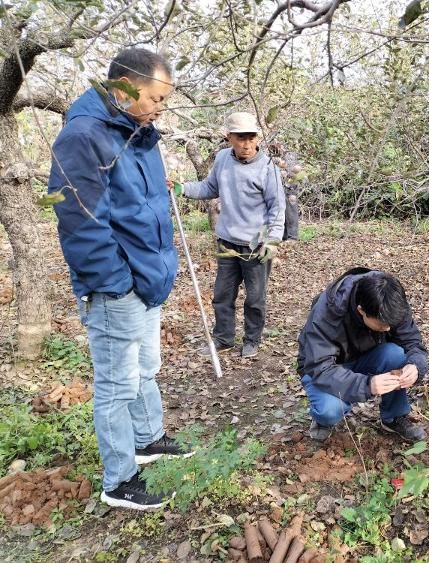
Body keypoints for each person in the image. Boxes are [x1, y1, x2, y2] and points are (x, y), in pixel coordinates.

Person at [48, 48, 191, 511]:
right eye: (155, 97)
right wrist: (117, 282)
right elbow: (81, 222)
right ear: (126, 88)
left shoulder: (140, 134)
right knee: (116, 383)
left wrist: (151, 274)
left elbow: (141, 208)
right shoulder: (83, 137)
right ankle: (119, 480)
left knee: (146, 368)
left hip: (147, 281)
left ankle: (148, 439)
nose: (160, 107)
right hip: (117, 286)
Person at [171, 112, 285, 358]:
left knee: (255, 298)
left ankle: (252, 340)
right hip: (227, 242)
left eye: (251, 137)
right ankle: (223, 338)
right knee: (222, 295)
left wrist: (273, 240)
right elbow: (210, 187)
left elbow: (277, 208)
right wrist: (182, 188)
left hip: (256, 243)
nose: (246, 144)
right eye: (240, 138)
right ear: (229, 137)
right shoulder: (223, 159)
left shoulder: (268, 169)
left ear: (257, 138)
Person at [297, 268, 428, 443]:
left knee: (396, 355)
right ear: (361, 310)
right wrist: (367, 385)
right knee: (330, 410)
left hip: (366, 356)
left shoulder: (391, 300)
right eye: (382, 324)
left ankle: (394, 417)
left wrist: (416, 366)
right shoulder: (327, 312)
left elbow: (412, 342)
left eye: (391, 324)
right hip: (324, 368)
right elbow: (319, 367)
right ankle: (321, 420)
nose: (388, 329)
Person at [268, 142, 301, 241]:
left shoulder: (289, 153)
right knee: (281, 210)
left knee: (291, 211)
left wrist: (288, 184)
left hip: (290, 187)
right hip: (279, 186)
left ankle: (292, 237)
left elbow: (296, 170)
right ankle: (284, 236)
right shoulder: (271, 154)